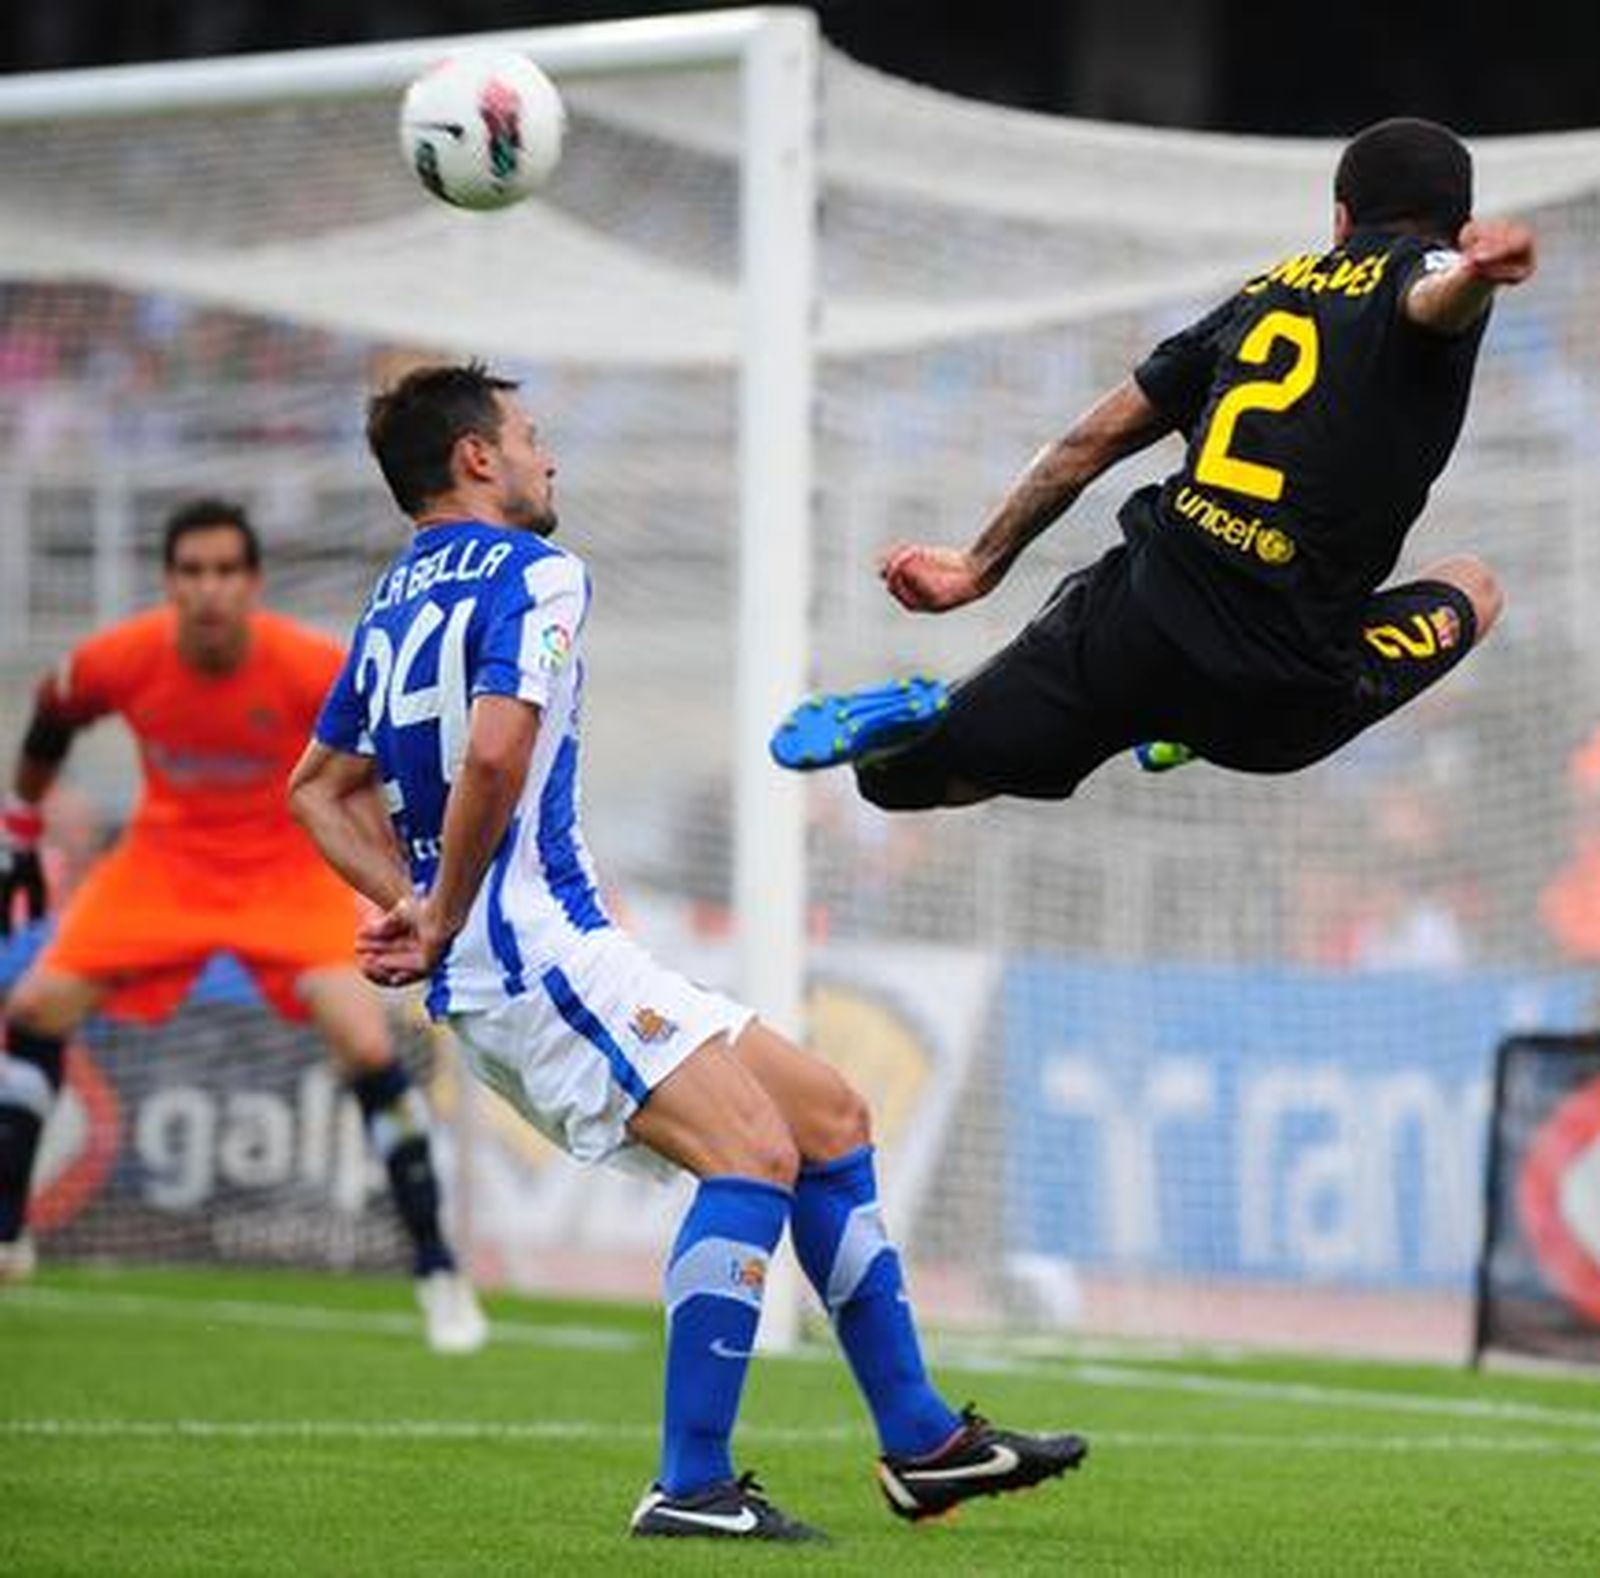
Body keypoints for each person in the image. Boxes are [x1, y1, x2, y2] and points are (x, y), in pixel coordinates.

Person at [286, 362, 1088, 1541]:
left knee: (826, 1119)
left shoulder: (393, 599)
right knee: (753, 1154)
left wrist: (415, 900)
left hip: (543, 945)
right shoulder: (540, 572)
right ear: (475, 459)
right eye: (529, 436)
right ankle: (690, 1482)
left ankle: (925, 1443)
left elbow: (317, 789)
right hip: (535, 952)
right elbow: (500, 755)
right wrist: (445, 906)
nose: (546, 457)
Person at [768, 118, 1537, 816]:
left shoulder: (1264, 294)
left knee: (907, 784)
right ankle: (1187, 731)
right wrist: (1477, 275)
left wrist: (977, 566)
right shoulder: (1433, 269)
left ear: (1339, 219)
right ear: (1459, 226)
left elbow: (1084, 447)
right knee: (1478, 585)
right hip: (1277, 682)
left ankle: (919, 724)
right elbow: (1429, 300)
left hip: (1136, 615)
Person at [0, 498, 487, 1355]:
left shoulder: (309, 666)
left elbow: (370, 768)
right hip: (164, 861)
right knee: (36, 1006)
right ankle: (8, 1231)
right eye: (192, 572)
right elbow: (51, 715)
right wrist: (23, 829)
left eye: (226, 572)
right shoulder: (126, 656)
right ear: (169, 582)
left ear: (253, 583)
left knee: (367, 1043)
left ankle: (438, 1266)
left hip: (283, 872)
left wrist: (390, 882)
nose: (209, 590)